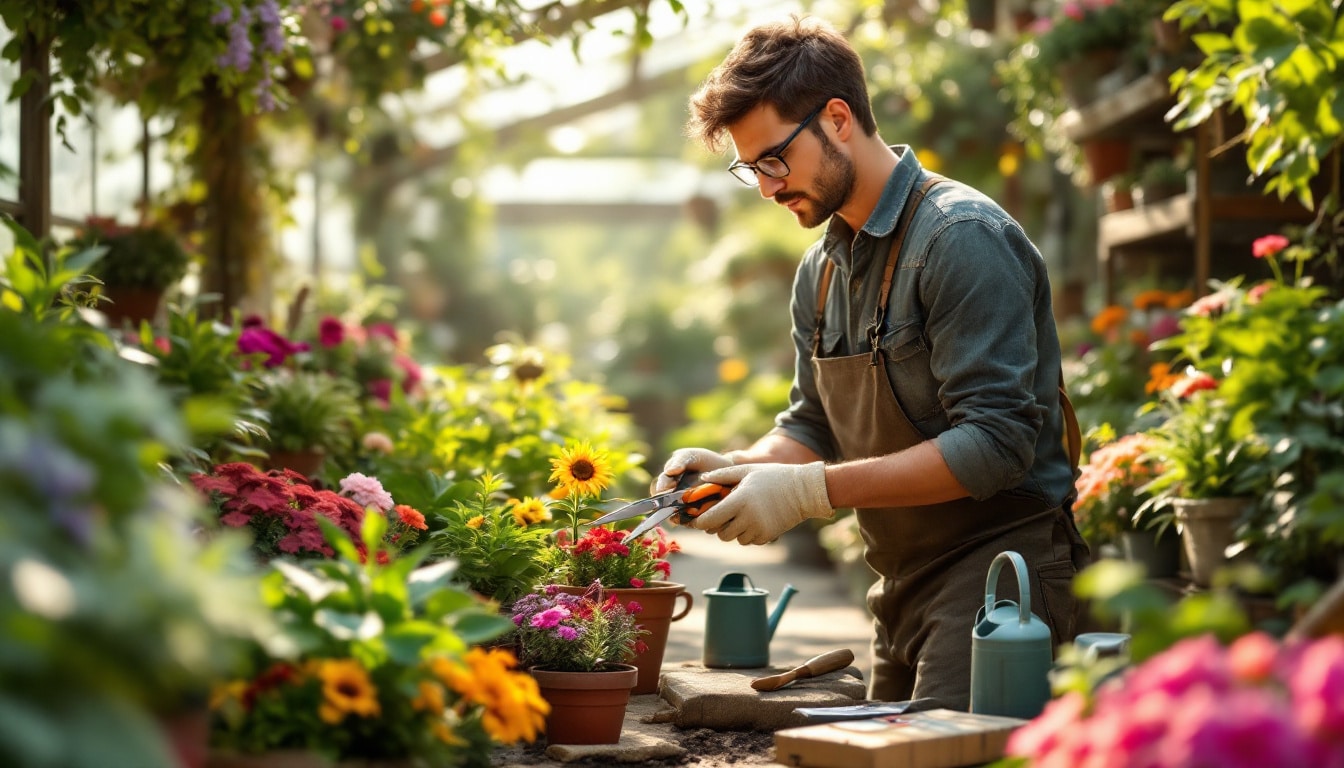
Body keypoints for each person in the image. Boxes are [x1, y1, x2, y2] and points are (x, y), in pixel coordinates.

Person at [659, 14, 1090, 711]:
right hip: (897, 587)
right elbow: (813, 426)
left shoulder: (961, 239)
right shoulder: (822, 269)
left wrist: (806, 493)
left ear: (836, 119)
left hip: (1000, 581)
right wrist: (740, 467)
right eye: (751, 170)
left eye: (774, 159)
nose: (767, 187)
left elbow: (996, 446)